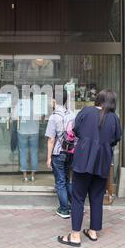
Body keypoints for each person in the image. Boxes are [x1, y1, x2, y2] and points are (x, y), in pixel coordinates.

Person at [58, 90, 121, 247]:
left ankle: (75, 236)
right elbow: (116, 139)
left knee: (78, 197)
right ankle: (93, 232)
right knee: (97, 197)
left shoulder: (86, 111)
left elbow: (75, 130)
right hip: (103, 161)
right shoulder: (114, 118)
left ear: (98, 99)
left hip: (84, 160)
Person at [45, 90, 75, 219]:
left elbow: (51, 139)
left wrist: (48, 157)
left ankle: (64, 210)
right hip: (70, 151)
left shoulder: (54, 117)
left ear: (54, 100)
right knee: (68, 180)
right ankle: (75, 207)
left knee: (60, 182)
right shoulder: (71, 114)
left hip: (58, 152)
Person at [16, 95, 40, 182]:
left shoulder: (20, 103)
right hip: (34, 131)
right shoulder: (36, 104)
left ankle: (25, 176)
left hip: (22, 131)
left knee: (23, 153)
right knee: (34, 152)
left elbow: (15, 116)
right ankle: (33, 176)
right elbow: (41, 117)